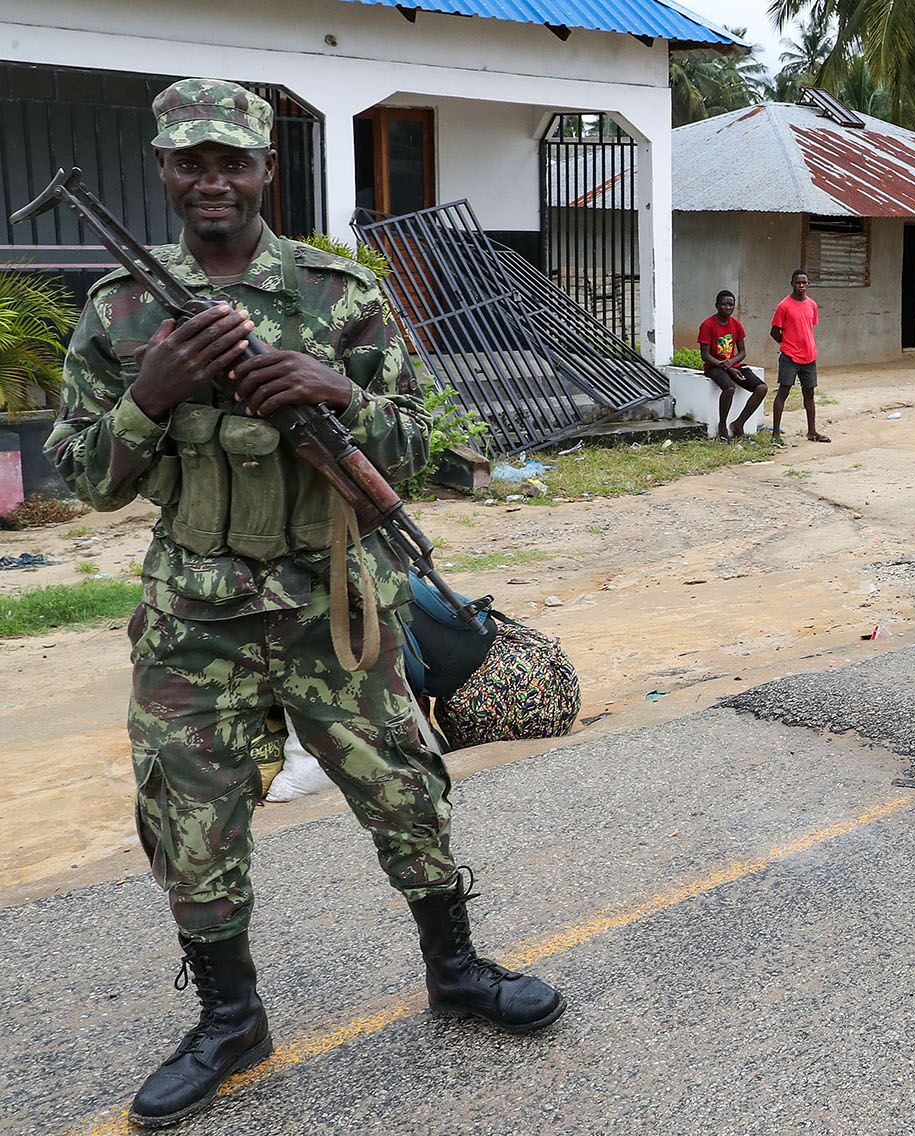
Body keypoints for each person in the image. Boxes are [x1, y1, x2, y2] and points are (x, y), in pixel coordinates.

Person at [45, 79, 564, 1129]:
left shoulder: (340, 296)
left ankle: (455, 968)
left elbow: (422, 447)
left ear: (265, 167)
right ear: (164, 170)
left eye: (231, 159)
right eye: (190, 162)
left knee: (403, 790)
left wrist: (339, 394)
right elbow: (82, 477)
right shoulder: (120, 310)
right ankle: (231, 1019)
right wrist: (153, 390)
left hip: (335, 600)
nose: (213, 180)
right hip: (195, 614)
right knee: (188, 822)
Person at [769, 269, 829, 443]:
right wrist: (787, 344)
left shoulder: (812, 304)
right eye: (798, 283)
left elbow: (808, 327)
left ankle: (812, 432)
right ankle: (776, 434)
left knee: (809, 394)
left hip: (809, 356)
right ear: (792, 284)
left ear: (808, 284)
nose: (801, 286)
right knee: (783, 392)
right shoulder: (784, 306)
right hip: (790, 357)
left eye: (804, 282)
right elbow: (774, 331)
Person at [697, 289, 765, 439]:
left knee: (761, 388)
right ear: (717, 305)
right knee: (729, 388)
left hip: (732, 364)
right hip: (714, 366)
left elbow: (742, 352)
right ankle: (722, 426)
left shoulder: (736, 325)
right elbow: (705, 355)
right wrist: (727, 367)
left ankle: (738, 423)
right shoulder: (707, 325)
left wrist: (732, 363)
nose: (727, 307)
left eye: (731, 304)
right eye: (724, 304)